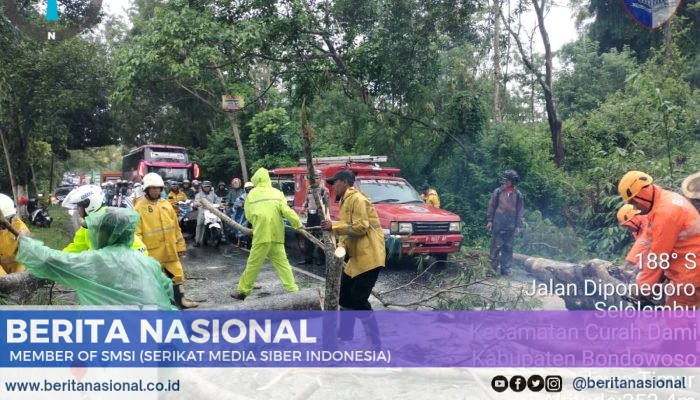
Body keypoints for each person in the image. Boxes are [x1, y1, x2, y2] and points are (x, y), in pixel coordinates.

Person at [17, 208, 175, 309]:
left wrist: (26, 242)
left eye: (96, 230)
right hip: (153, 337)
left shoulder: (95, 261)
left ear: (104, 233)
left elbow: (51, 261)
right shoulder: (148, 263)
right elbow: (167, 290)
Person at [320, 170, 385, 350]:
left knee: (358, 300)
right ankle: (345, 335)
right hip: (357, 258)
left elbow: (361, 227)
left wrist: (334, 226)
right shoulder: (345, 202)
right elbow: (348, 232)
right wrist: (339, 248)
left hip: (370, 256)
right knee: (345, 296)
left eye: (335, 182)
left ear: (345, 182)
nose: (332, 186)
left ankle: (374, 343)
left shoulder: (358, 199)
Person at [618, 170, 700, 308]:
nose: (635, 207)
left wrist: (643, 288)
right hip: (685, 266)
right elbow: (647, 238)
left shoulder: (666, 213)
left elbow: (658, 256)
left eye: (634, 202)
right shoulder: (662, 201)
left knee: (677, 320)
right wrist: (629, 262)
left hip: (690, 273)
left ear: (642, 195)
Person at [231, 168, 301, 300]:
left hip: (261, 234)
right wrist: (298, 224)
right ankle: (293, 289)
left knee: (253, 264)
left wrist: (257, 222)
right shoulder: (277, 193)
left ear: (256, 180)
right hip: (276, 234)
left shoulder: (251, 195)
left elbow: (249, 215)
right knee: (283, 264)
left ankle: (243, 291)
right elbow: (287, 211)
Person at [134, 173, 198, 309]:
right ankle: (161, 304)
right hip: (152, 253)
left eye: (158, 188)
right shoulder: (139, 207)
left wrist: (180, 246)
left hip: (170, 251)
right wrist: (140, 253)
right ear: (146, 189)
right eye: (153, 188)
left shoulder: (166, 205)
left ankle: (181, 301)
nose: (156, 190)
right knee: (155, 280)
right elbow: (136, 233)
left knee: (177, 275)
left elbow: (175, 228)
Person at [62, 185, 147, 254]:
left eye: (79, 206)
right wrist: (56, 259)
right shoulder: (88, 224)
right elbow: (77, 247)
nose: (78, 210)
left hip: (131, 265)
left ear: (89, 205)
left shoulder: (110, 219)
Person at [486, 169, 524, 276]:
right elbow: (491, 206)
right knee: (495, 247)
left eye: (508, 180)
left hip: (511, 225)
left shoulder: (518, 194)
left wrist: (518, 226)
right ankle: (492, 270)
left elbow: (520, 211)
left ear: (513, 181)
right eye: (505, 179)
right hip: (498, 223)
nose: (506, 181)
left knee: (508, 248)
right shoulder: (498, 192)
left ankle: (505, 269)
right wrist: (490, 221)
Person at [612, 204, 650, 282]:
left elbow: (641, 245)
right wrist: (634, 272)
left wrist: (624, 266)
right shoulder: (637, 230)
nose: (628, 229)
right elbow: (643, 253)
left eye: (627, 226)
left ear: (634, 219)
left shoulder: (649, 222)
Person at [300, 170, 331, 265]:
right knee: (308, 237)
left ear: (320, 179)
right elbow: (307, 200)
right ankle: (308, 259)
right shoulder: (309, 188)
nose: (313, 181)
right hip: (310, 215)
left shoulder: (324, 190)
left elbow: (327, 205)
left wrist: (326, 217)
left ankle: (321, 259)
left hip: (320, 216)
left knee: (321, 238)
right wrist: (303, 207)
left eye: (316, 178)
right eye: (312, 179)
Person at [0, 193, 30, 275]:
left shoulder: (16, 223)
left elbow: (26, 233)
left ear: (11, 218)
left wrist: (25, 235)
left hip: (16, 264)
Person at [194, 180, 219, 247]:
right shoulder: (199, 194)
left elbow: (217, 200)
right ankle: (197, 241)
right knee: (199, 224)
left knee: (220, 221)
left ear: (210, 187)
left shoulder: (213, 194)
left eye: (208, 187)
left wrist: (220, 204)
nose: (206, 188)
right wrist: (198, 204)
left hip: (212, 211)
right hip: (202, 211)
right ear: (202, 187)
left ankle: (222, 237)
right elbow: (195, 202)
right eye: (205, 187)